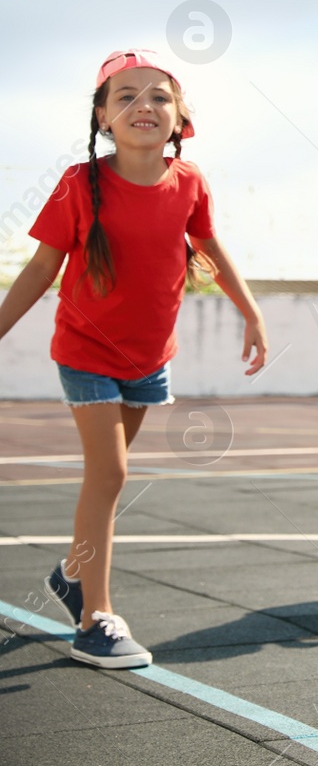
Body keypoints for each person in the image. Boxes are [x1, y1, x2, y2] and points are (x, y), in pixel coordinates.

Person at [0, 50, 267, 668]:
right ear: (102, 117)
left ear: (179, 118)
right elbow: (42, 268)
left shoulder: (191, 182)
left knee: (108, 477)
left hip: (149, 357)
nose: (142, 106)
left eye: (158, 97)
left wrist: (251, 312)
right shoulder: (78, 185)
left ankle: (72, 575)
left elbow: (210, 246)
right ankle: (95, 618)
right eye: (125, 96)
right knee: (111, 475)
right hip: (86, 350)